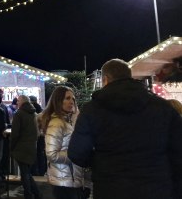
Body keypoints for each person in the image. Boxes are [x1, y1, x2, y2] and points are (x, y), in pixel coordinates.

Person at [68, 59, 182, 199]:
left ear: (105, 80)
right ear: (130, 76)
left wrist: (100, 162)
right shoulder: (162, 107)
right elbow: (177, 151)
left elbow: (76, 152)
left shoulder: (92, 110)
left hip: (110, 187)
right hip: (155, 187)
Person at [39, 86, 83, 199]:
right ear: (58, 101)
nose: (71, 102)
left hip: (70, 178)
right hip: (63, 180)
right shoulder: (57, 123)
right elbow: (51, 154)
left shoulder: (68, 121)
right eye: (67, 98)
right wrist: (75, 154)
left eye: (73, 99)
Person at [10, 95, 43, 199]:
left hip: (21, 147)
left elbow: (15, 133)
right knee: (26, 172)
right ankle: (36, 194)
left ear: (23, 102)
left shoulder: (19, 114)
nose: (17, 103)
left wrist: (11, 147)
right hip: (32, 146)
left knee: (25, 174)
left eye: (18, 101)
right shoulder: (34, 113)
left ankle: (29, 194)